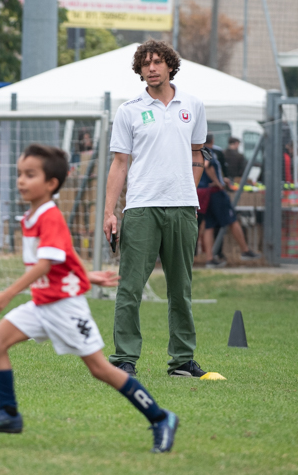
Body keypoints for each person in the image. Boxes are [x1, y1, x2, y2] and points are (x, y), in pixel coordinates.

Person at [0, 144, 179, 453]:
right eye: (20, 174)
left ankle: (161, 418)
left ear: (51, 183)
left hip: (66, 308)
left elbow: (46, 263)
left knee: (101, 369)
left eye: (30, 175)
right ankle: (9, 415)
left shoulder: (49, 216)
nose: (21, 181)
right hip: (42, 304)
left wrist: (8, 293)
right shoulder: (32, 216)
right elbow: (64, 254)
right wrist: (88, 276)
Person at [103, 40, 216, 378]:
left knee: (181, 288)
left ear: (170, 65)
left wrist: (187, 189)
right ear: (139, 70)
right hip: (141, 208)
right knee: (130, 286)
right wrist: (110, 212)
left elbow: (197, 153)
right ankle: (124, 358)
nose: (151, 68)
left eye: (157, 62)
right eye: (145, 64)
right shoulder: (129, 110)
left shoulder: (193, 105)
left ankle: (182, 361)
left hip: (182, 208)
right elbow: (119, 163)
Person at [199, 134, 261, 268]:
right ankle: (245, 250)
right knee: (232, 220)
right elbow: (208, 166)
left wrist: (222, 179)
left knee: (209, 225)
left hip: (205, 192)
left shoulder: (199, 150)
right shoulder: (208, 151)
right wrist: (218, 182)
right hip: (215, 192)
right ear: (212, 140)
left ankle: (209, 259)